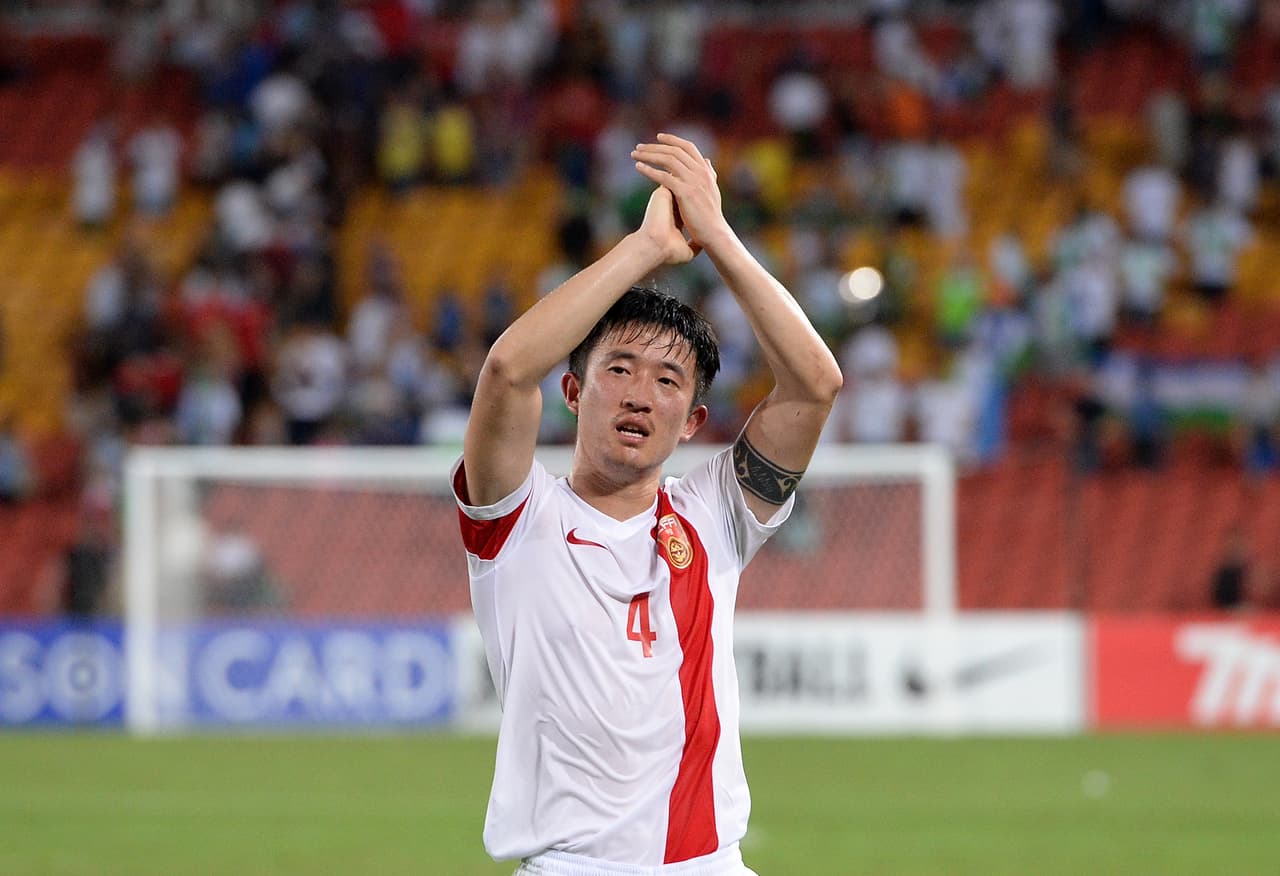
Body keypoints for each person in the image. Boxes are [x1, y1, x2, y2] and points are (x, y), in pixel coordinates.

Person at [453, 133, 842, 875]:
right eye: (618, 369)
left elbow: (814, 386)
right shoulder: (514, 518)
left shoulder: (715, 515)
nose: (640, 393)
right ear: (572, 392)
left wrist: (716, 232)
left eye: (669, 381)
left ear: (693, 421)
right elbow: (505, 372)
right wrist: (645, 248)